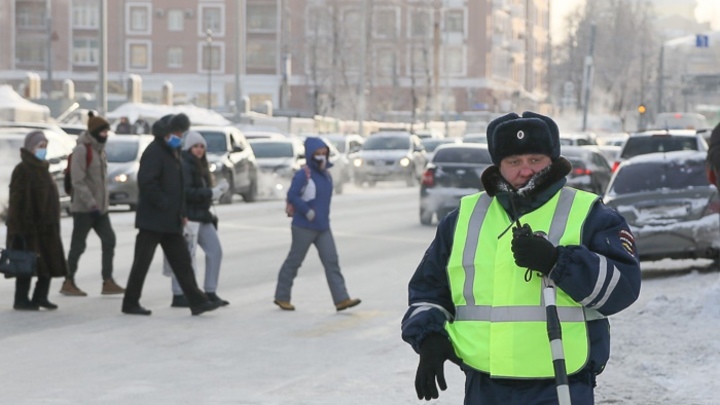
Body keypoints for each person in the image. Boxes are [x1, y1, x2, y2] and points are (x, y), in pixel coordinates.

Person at [401, 111, 642, 404]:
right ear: (498, 166)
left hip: (562, 382)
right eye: (514, 162)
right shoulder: (464, 217)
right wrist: (429, 338)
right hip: (484, 384)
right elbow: (428, 291)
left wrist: (557, 263)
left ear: (552, 160)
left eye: (535, 160)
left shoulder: (590, 214)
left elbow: (623, 289)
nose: (525, 170)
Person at [122, 113, 222, 316]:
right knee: (142, 262)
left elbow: (179, 187)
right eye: (177, 133)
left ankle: (197, 301)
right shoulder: (155, 152)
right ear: (167, 132)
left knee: (183, 262)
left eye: (181, 133)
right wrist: (165, 204)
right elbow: (147, 183)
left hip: (171, 220)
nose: (179, 136)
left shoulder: (173, 151)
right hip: (153, 219)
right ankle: (130, 302)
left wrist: (181, 211)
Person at [273, 136, 361, 312]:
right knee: (295, 261)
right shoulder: (303, 174)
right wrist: (306, 211)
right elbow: (292, 195)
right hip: (304, 227)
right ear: (310, 155)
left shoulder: (326, 175)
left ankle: (341, 299)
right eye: (318, 154)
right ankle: (282, 296)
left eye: (324, 153)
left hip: (323, 227)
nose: (321, 157)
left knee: (332, 262)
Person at [162, 130, 229, 308]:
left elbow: (198, 192)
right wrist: (211, 193)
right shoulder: (185, 164)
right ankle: (178, 294)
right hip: (189, 218)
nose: (199, 150)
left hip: (202, 216)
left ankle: (210, 290)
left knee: (215, 251)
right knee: (184, 257)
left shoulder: (200, 166)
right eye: (195, 146)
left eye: (202, 147)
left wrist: (216, 192)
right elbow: (187, 192)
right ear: (188, 147)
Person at [61, 112, 125, 297]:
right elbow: (78, 180)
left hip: (100, 208)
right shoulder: (83, 150)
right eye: (103, 132)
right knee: (78, 245)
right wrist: (91, 203)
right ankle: (68, 280)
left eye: (107, 132)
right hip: (84, 208)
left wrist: (103, 203)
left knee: (109, 240)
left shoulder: (99, 150)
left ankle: (107, 281)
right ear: (96, 132)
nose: (106, 135)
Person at [5, 131, 69, 310]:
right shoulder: (23, 169)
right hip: (29, 227)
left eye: (45, 147)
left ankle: (40, 297)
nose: (44, 150)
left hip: (47, 227)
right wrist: (20, 228)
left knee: (47, 263)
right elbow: (17, 201)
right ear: (30, 148)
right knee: (26, 265)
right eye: (40, 147)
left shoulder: (42, 167)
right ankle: (21, 299)